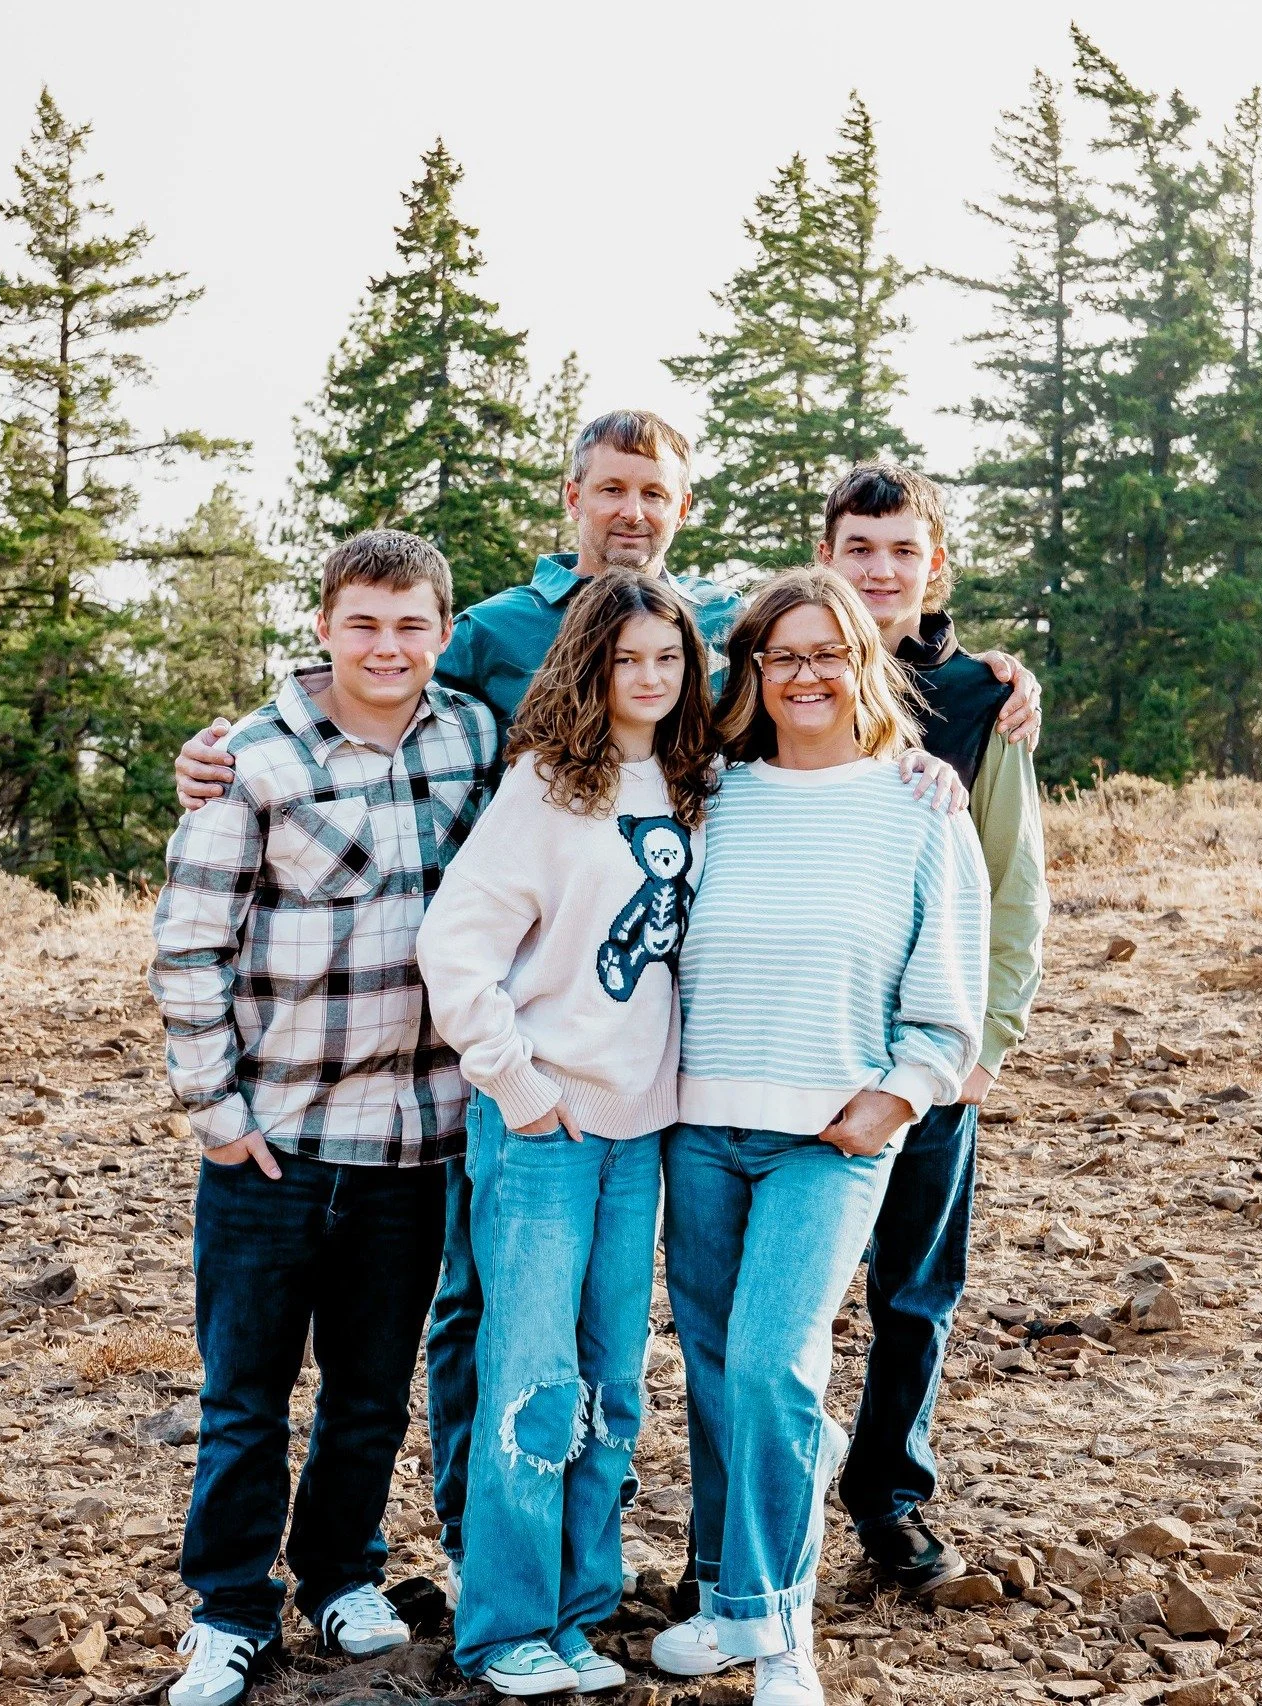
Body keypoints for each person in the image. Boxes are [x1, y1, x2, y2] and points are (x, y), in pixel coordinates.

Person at [167, 412, 1006, 1601]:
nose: (631, 510)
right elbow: (372, 677)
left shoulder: (716, 644)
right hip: (492, 1071)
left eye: (652, 492)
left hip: (651, 1094)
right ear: (573, 494)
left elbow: (828, 678)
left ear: (682, 507)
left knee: (622, 1353)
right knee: (482, 1321)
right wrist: (232, 743)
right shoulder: (494, 638)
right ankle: (483, 1561)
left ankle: (596, 1577)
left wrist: (960, 711)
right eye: (610, 488)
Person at [149, 532, 496, 1706]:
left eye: (410, 625)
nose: (387, 646)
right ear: (324, 626)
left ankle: (342, 1569)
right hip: (276, 1141)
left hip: (415, 1139)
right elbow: (189, 939)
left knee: (369, 1388)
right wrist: (216, 1106)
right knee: (245, 1390)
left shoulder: (474, 740)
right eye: (364, 623)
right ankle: (229, 1607)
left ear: (442, 632)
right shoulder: (253, 758)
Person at [650, 568, 989, 1706]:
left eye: (828, 652)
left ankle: (784, 1626)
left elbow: (949, 996)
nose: (805, 674)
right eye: (780, 655)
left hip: (832, 1134)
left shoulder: (918, 805)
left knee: (768, 1362)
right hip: (700, 1129)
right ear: (750, 671)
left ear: (864, 663)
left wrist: (895, 1098)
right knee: (712, 1373)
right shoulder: (705, 792)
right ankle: (727, 1598)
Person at [416, 571, 719, 1695]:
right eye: (627, 658)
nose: (650, 676)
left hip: (641, 1133)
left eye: (669, 658)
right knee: (533, 1381)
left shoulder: (694, 780)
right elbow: (456, 947)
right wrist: (518, 1086)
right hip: (543, 1130)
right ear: (591, 665)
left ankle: (578, 1611)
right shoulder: (547, 788)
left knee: (611, 1384)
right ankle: (502, 1625)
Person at [817, 465, 1050, 1593]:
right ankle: (754, 1508)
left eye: (902, 550)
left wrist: (981, 1046)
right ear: (827, 558)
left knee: (912, 1288)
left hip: (926, 1052)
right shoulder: (773, 677)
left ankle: (890, 1496)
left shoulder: (979, 703)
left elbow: (1015, 885)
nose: (880, 570)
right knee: (780, 1294)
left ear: (934, 565)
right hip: (791, 1047)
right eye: (859, 548)